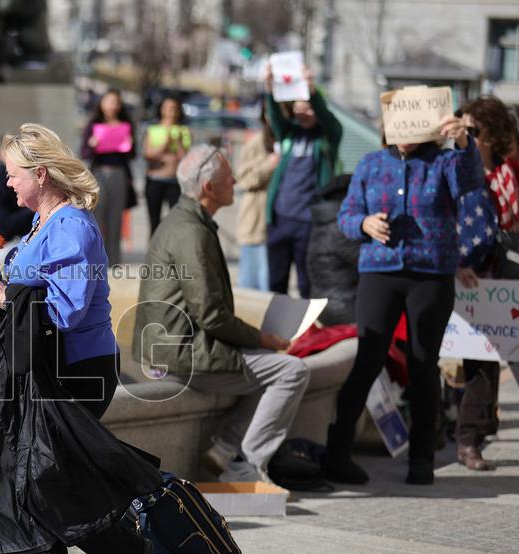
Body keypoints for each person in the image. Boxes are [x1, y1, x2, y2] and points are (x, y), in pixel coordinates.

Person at [0, 123, 161, 554]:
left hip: (80, 369)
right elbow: (36, 296)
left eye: (13, 174)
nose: (7, 183)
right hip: (48, 364)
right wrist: (4, 287)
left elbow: (70, 309)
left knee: (41, 475)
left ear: (40, 173)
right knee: (35, 473)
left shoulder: (73, 225)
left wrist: (6, 295)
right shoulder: (40, 223)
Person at [323, 114, 490, 486]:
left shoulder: (445, 162)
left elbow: (471, 182)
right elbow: (346, 215)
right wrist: (364, 224)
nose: (404, 135)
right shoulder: (371, 163)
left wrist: (465, 144)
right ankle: (337, 454)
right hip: (380, 271)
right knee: (368, 359)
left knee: (422, 363)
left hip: (430, 276)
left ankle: (421, 459)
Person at [132, 145, 309, 482]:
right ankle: (245, 466)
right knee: (291, 371)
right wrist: (261, 337)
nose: (236, 181)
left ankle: (226, 447)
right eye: (229, 178)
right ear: (209, 188)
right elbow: (210, 315)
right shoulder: (192, 233)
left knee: (265, 365)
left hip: (173, 346)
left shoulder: (182, 222)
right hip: (184, 354)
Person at [451, 96, 519, 471]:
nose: (467, 137)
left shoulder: (507, 173)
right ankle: (467, 441)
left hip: (502, 278)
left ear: (492, 134)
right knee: (480, 364)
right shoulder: (463, 170)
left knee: (493, 363)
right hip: (469, 276)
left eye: (474, 131)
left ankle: (480, 429)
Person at [264, 66, 342, 297]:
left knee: (307, 283)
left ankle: (306, 330)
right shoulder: (288, 133)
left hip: (308, 222)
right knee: (276, 282)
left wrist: (312, 91)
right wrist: (270, 88)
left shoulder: (328, 136)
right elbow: (276, 115)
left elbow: (327, 117)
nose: (302, 112)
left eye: (307, 107)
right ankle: (277, 331)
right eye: (298, 107)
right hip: (280, 219)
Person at [80, 89, 136, 264]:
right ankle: (96, 257)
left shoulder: (126, 125)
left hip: (119, 173)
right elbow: (84, 152)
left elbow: (133, 155)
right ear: (102, 103)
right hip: (98, 173)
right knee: (97, 216)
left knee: (116, 217)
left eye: (116, 102)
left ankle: (114, 259)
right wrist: (92, 145)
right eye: (109, 101)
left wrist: (130, 144)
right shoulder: (94, 124)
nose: (112, 106)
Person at [235, 103, 278, 291]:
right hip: (257, 220)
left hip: (283, 221)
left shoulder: (290, 139)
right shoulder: (256, 143)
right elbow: (242, 179)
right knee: (255, 285)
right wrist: (269, 164)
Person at [307, 175, 360, 325]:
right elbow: (366, 262)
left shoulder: (326, 222)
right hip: (342, 306)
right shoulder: (340, 229)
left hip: (329, 302)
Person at [143, 96, 190, 235]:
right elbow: (148, 154)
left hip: (174, 181)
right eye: (167, 108)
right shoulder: (153, 130)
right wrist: (165, 145)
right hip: (155, 179)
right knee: (154, 222)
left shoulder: (184, 131)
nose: (171, 111)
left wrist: (179, 144)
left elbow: (185, 158)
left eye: (174, 108)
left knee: (175, 222)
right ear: (161, 110)